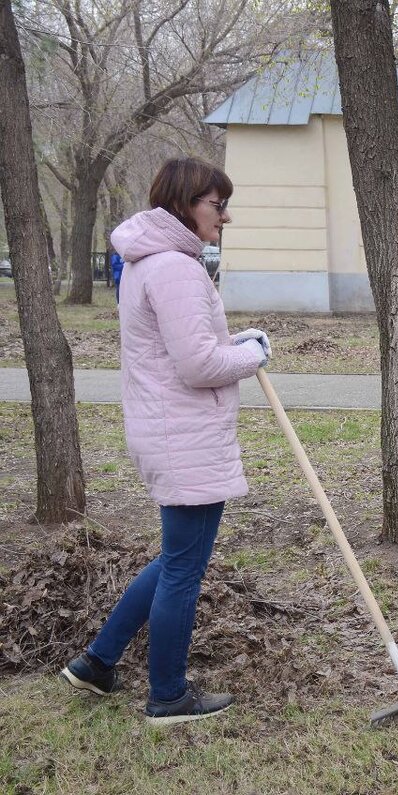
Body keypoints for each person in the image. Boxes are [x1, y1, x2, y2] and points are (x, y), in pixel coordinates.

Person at [59, 158, 273, 725]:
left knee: (175, 559)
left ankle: (97, 664)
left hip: (172, 430)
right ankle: (168, 696)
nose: (224, 217)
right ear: (184, 204)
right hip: (184, 435)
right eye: (215, 204)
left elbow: (188, 343)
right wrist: (253, 355)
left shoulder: (150, 263)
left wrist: (239, 338)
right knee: (183, 568)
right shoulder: (176, 270)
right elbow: (199, 363)